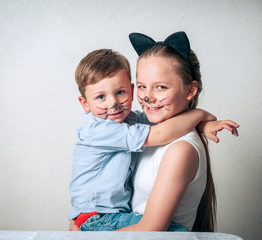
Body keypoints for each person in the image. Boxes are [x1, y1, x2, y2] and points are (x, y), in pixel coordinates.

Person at [68, 48, 234, 231]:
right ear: (85, 103)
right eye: (142, 86)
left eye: (161, 87)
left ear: (190, 90)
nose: (148, 96)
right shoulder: (105, 128)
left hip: (114, 219)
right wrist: (199, 115)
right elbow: (162, 133)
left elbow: (152, 229)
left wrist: (201, 124)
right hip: (98, 216)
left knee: (179, 233)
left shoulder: (177, 147)